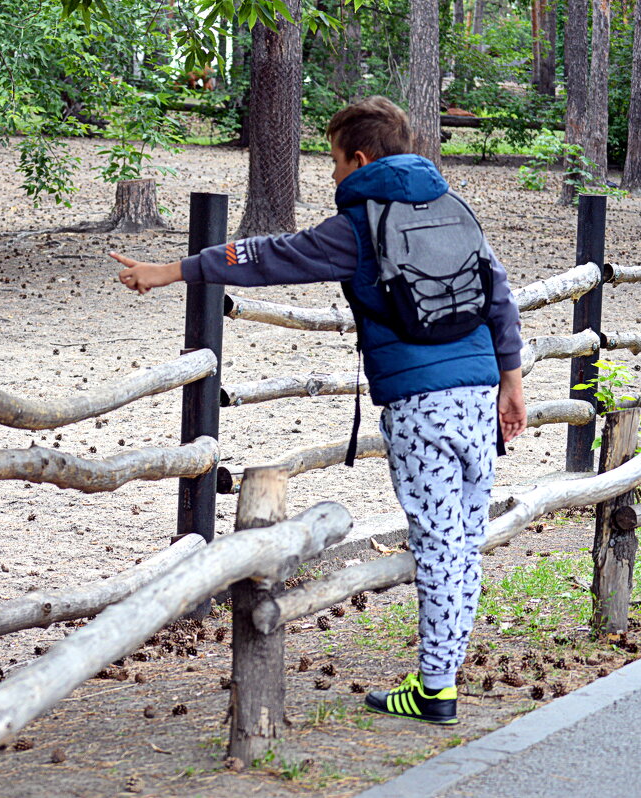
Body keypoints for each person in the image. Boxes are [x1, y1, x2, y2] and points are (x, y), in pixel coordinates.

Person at [110, 96, 526, 726]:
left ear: (359, 158)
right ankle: (442, 674)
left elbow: (268, 257)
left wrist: (171, 271)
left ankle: (438, 687)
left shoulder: (358, 224)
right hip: (479, 392)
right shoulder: (453, 205)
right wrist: (512, 380)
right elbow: (498, 293)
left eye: (333, 162)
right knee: (462, 542)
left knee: (440, 546)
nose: (330, 177)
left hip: (420, 405)